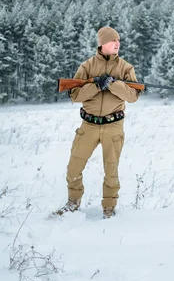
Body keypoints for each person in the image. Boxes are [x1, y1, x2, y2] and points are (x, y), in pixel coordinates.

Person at [54, 26, 140, 219]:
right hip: (89, 125)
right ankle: (73, 204)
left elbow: (133, 96)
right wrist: (96, 86)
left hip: (113, 125)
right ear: (102, 44)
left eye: (118, 40)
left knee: (111, 170)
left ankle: (109, 208)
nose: (117, 43)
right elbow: (75, 95)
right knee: (73, 168)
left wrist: (113, 84)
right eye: (112, 41)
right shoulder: (87, 66)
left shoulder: (126, 68)